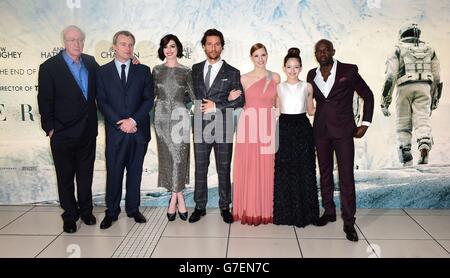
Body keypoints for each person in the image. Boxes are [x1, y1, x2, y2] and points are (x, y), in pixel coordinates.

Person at [306, 39, 374, 242]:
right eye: (319, 50)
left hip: (344, 131)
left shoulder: (349, 70)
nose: (323, 53)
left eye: (326, 49)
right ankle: (329, 211)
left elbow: (368, 95)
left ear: (333, 51)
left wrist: (366, 123)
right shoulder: (312, 74)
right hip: (320, 131)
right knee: (324, 173)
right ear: (315, 54)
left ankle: (349, 221)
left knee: (346, 176)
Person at [37, 25, 99, 234]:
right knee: (65, 177)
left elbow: (107, 80)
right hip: (62, 133)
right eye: (72, 40)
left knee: (85, 175)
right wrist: (51, 129)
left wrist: (132, 62)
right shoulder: (49, 67)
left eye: (81, 40)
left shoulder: (90, 62)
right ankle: (70, 215)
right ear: (64, 42)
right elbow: (44, 101)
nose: (77, 44)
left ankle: (86, 211)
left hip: (88, 131)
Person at [96, 30, 154, 229]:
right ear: (114, 47)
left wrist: (133, 120)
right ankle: (111, 212)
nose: (127, 48)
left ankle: (133, 209)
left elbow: (148, 100)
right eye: (123, 44)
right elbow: (102, 102)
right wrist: (120, 122)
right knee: (114, 173)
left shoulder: (143, 70)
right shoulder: (102, 72)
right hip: (116, 132)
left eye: (130, 44)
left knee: (135, 172)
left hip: (138, 131)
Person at [189, 29, 245, 224]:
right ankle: (199, 206)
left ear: (222, 46)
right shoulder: (194, 69)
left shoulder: (232, 72)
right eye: (209, 43)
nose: (213, 47)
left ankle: (224, 206)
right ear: (203, 46)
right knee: (200, 168)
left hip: (224, 126)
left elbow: (240, 101)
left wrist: (218, 105)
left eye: (217, 44)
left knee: (223, 168)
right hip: (200, 126)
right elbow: (189, 95)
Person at [231, 43, 279, 226]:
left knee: (267, 166)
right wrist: (229, 99)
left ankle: (266, 209)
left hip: (267, 125)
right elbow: (236, 102)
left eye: (263, 55)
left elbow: (278, 102)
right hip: (248, 124)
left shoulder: (275, 77)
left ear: (267, 56)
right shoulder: (242, 79)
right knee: (249, 166)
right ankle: (247, 209)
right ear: (251, 58)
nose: (260, 59)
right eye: (256, 56)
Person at [380, 23, 442, 166]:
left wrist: (385, 101)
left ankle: (406, 155)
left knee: (403, 124)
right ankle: (424, 144)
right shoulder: (430, 50)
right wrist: (435, 99)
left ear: (402, 34)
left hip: (403, 88)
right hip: (424, 87)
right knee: (422, 119)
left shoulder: (397, 49)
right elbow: (437, 77)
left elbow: (390, 76)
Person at [273, 47, 319, 228]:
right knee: (285, 170)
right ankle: (286, 215)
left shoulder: (307, 87)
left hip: (302, 128)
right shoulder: (278, 87)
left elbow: (310, 110)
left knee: (304, 169)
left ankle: (306, 214)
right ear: (284, 68)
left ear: (301, 68)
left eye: (296, 67)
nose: (292, 70)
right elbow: (277, 111)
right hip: (284, 128)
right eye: (289, 67)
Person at [152, 34, 195, 221]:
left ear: (178, 48)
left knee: (179, 158)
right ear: (162, 50)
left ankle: (175, 198)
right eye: (165, 47)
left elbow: (193, 96)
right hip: (161, 118)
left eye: (172, 46)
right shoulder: (156, 70)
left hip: (180, 118)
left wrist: (183, 106)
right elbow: (150, 94)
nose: (169, 50)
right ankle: (178, 196)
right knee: (168, 158)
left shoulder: (186, 71)